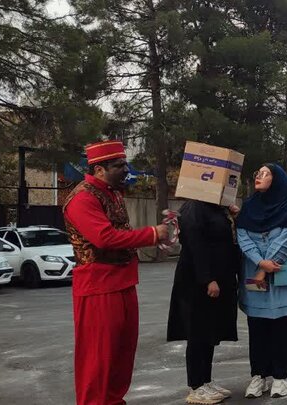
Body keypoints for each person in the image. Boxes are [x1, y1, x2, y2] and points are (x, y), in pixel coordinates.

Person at [62, 140, 169, 405]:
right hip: (98, 286)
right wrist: (152, 234)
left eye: (125, 164)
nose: (126, 170)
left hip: (122, 282)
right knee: (98, 359)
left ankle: (113, 401)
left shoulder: (112, 193)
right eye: (119, 165)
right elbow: (105, 238)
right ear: (99, 169)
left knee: (122, 354)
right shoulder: (82, 198)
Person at [236, 163, 287, 399]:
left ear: (277, 180)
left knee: (281, 327)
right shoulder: (248, 207)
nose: (259, 175)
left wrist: (267, 265)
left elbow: (286, 242)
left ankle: (280, 377)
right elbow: (242, 236)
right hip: (255, 269)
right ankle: (258, 376)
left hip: (281, 270)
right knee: (257, 326)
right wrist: (260, 263)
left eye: (266, 173)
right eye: (258, 173)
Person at [167, 200, 241, 404]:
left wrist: (235, 217)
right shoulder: (194, 208)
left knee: (209, 332)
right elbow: (194, 245)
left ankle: (206, 381)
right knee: (197, 333)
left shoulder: (216, 208)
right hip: (197, 282)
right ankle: (196, 386)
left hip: (217, 279)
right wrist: (207, 278)